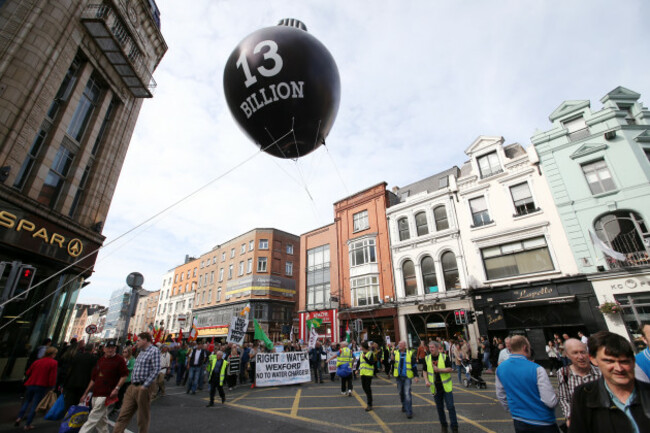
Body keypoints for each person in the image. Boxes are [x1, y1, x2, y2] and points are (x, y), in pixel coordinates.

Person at [569, 331, 650, 433]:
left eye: (624, 361)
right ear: (593, 359)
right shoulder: (584, 395)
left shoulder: (647, 392)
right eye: (609, 361)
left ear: (633, 361)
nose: (619, 368)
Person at [495, 335, 559, 433]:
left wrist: (513, 409)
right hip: (544, 422)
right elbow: (550, 402)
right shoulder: (537, 369)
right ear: (525, 347)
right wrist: (557, 394)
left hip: (519, 420)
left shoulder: (500, 368)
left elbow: (501, 395)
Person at [113, 332, 161, 433]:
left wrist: (145, 386)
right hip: (132, 386)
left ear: (145, 340)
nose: (136, 342)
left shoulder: (154, 351)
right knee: (123, 414)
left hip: (144, 386)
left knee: (142, 417)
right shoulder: (141, 351)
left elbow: (156, 369)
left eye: (138, 340)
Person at [79, 341, 128, 433]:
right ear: (104, 349)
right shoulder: (101, 360)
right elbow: (93, 378)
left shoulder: (119, 360)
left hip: (106, 393)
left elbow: (124, 375)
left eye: (113, 347)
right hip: (96, 392)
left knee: (93, 417)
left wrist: (116, 388)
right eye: (108, 347)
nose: (111, 349)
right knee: (101, 418)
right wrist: (85, 393)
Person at [556, 338, 601, 429]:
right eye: (575, 353)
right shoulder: (563, 373)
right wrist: (569, 417)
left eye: (583, 352)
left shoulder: (600, 372)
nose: (581, 357)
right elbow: (564, 398)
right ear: (567, 355)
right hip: (579, 421)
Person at [15, 346, 58, 430]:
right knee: (35, 405)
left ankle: (19, 417)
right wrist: (52, 386)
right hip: (41, 385)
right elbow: (52, 377)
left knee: (27, 401)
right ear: (52, 354)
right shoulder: (53, 363)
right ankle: (28, 424)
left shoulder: (37, 361)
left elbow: (28, 372)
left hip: (30, 384)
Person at [425, 341, 458, 433]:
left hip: (446, 387)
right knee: (439, 408)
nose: (430, 349)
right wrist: (426, 380)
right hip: (435, 387)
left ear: (437, 348)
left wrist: (439, 370)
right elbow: (424, 370)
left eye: (432, 347)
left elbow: (450, 369)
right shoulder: (427, 358)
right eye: (429, 347)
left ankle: (454, 426)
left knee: (450, 406)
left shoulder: (444, 357)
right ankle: (444, 426)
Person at [62, 343, 97, 412]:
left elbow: (69, 370)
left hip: (71, 383)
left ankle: (67, 418)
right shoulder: (94, 359)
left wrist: (64, 383)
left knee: (69, 403)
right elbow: (93, 374)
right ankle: (73, 420)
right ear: (93, 350)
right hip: (84, 385)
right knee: (80, 404)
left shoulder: (77, 356)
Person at [392, 340, 419, 419]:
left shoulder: (410, 354)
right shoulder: (396, 353)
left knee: (407, 394)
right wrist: (391, 359)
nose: (399, 345)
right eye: (399, 344)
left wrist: (416, 376)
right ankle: (404, 405)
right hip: (399, 376)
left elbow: (414, 365)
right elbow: (392, 363)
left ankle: (409, 411)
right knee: (401, 392)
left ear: (405, 346)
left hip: (407, 376)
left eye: (401, 344)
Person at [359, 341, 375, 411]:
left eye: (361, 346)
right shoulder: (361, 353)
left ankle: (369, 404)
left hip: (368, 374)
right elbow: (360, 362)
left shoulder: (370, 354)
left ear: (364, 347)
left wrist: (365, 358)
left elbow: (371, 363)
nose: (360, 347)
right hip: (363, 373)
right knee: (364, 387)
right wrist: (357, 369)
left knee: (368, 389)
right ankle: (369, 399)